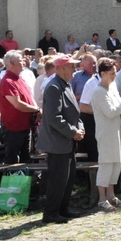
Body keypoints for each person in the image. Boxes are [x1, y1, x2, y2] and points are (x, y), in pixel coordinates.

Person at [38, 55, 85, 224]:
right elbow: (53, 117)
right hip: (57, 141)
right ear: (61, 69)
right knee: (58, 179)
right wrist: (73, 132)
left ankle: (62, 209)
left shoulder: (65, 84)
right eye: (72, 66)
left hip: (67, 140)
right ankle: (51, 213)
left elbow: (74, 111)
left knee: (68, 177)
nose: (75, 69)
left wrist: (79, 127)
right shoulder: (54, 87)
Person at [91, 58, 121, 212]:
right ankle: (102, 199)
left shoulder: (112, 87)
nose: (115, 76)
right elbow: (111, 112)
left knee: (116, 163)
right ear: (102, 73)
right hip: (106, 132)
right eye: (112, 73)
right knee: (106, 163)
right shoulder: (98, 92)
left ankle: (111, 195)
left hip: (117, 129)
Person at [0, 50, 41, 164]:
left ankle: (24, 182)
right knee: (12, 158)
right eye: (21, 60)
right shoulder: (8, 81)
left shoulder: (18, 78)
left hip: (24, 125)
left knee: (25, 158)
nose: (24, 62)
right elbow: (17, 104)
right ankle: (11, 182)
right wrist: (37, 110)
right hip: (13, 127)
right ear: (12, 63)